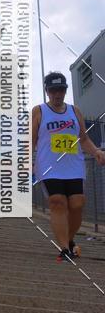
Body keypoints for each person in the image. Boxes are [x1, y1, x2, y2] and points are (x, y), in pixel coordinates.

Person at [33, 71, 105, 262]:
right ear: (47, 91)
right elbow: (30, 140)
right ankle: (64, 248)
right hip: (48, 165)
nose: (58, 94)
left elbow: (83, 139)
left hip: (73, 165)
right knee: (57, 202)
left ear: (65, 91)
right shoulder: (39, 111)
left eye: (61, 90)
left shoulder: (75, 111)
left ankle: (69, 240)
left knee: (77, 204)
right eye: (53, 90)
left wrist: (96, 151)